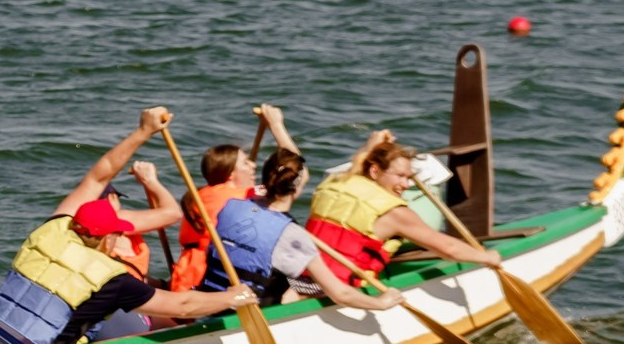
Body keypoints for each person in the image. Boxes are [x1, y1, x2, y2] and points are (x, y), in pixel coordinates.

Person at [0, 108, 265, 344]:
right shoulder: (110, 278)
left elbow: (100, 174)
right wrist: (232, 297)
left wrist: (143, 131)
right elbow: (182, 306)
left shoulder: (51, 230)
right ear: (108, 238)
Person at [198, 149, 401, 313]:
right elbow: (340, 294)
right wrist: (381, 303)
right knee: (318, 284)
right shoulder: (291, 234)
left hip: (213, 300)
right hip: (254, 311)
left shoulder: (231, 206)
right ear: (297, 188)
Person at [303, 131, 501, 294]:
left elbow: (359, 161)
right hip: (337, 289)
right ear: (375, 171)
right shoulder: (395, 213)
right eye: (400, 176)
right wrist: (487, 258)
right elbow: (448, 249)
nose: (406, 185)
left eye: (409, 177)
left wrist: (372, 145)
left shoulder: (336, 182)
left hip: (301, 279)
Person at [169, 104, 301, 292]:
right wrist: (276, 125)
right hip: (214, 282)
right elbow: (295, 176)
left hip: (185, 280)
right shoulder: (243, 197)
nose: (253, 166)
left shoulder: (198, 196)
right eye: (246, 163)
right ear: (231, 174)